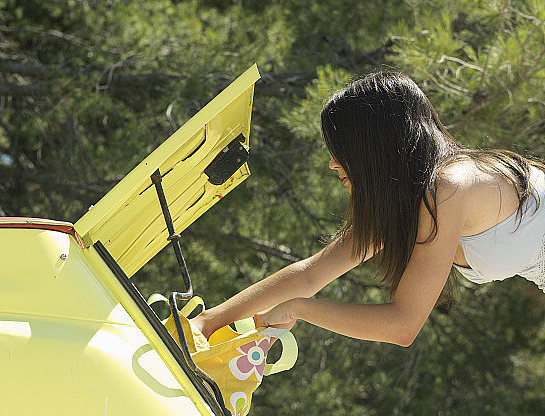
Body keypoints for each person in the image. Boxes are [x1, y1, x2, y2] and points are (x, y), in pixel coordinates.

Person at [193, 71, 545, 347]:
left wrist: (300, 309)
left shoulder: (449, 189)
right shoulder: (410, 199)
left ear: (372, 151)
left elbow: (403, 326)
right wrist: (206, 323)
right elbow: (311, 274)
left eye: (340, 150)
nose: (332, 164)